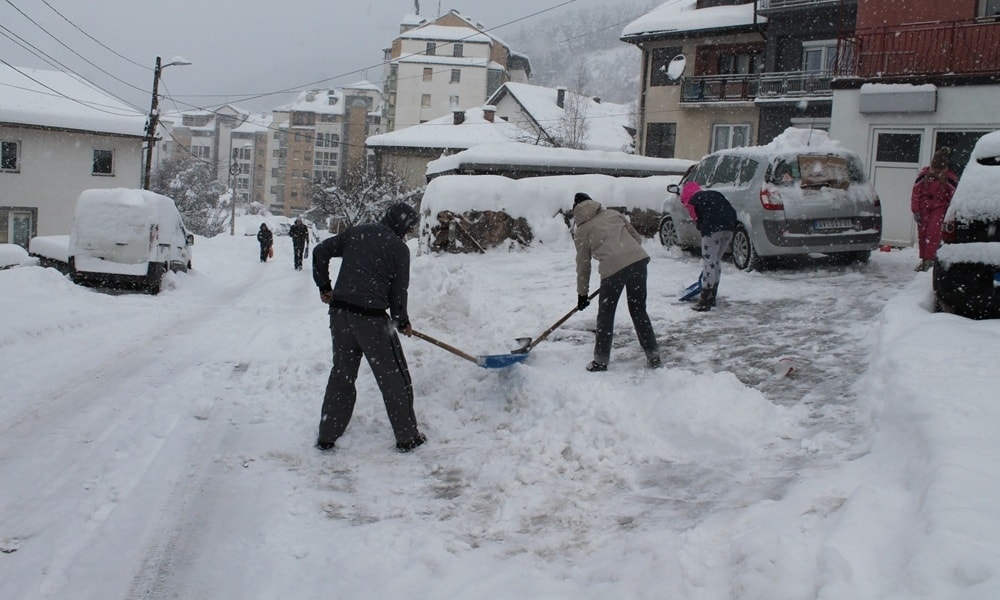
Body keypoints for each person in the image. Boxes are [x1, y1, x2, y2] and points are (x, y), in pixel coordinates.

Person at [311, 203, 425, 453]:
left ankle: (328, 434)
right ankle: (407, 436)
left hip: (340, 315)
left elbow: (320, 251)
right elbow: (398, 293)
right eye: (409, 225)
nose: (409, 230)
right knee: (394, 376)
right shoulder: (399, 249)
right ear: (402, 223)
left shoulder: (357, 233)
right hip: (371, 320)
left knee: (342, 373)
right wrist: (401, 320)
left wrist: (324, 287)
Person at [572, 192, 661, 372]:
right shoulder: (613, 214)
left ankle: (601, 360)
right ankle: (653, 355)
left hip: (613, 270)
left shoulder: (582, 230)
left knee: (606, 314)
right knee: (638, 309)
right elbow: (635, 238)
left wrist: (582, 294)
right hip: (638, 262)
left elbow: (583, 264)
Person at [680, 182, 738, 312]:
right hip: (729, 227)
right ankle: (712, 297)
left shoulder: (692, 201)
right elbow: (729, 209)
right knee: (716, 260)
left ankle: (704, 301)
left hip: (712, 229)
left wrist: (701, 226)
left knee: (709, 262)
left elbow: (696, 219)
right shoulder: (714, 194)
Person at [911, 147, 958, 271]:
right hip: (924, 208)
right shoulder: (924, 176)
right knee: (923, 235)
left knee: (933, 234)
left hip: (939, 209)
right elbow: (916, 193)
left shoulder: (949, 178)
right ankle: (924, 259)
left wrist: (951, 213)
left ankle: (930, 260)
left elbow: (954, 197)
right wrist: (915, 210)